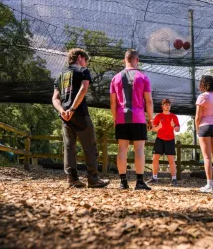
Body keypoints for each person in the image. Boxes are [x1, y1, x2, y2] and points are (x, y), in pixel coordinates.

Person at [52, 48, 110, 188]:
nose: (86, 63)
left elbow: (55, 98)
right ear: (79, 57)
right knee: (90, 146)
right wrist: (72, 109)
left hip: (65, 117)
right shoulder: (83, 71)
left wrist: (62, 111)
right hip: (80, 114)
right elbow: (83, 89)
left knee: (69, 147)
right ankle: (93, 179)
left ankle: (72, 179)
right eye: (85, 60)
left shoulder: (60, 75)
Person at [110, 49, 154, 190]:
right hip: (138, 118)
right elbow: (149, 101)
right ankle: (139, 182)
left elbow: (113, 103)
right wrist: (151, 119)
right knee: (139, 149)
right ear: (137, 60)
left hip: (121, 118)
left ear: (124, 60)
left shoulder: (115, 78)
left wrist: (115, 119)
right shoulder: (143, 77)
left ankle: (123, 182)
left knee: (122, 149)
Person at [195, 75, 213, 194]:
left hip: (205, 127)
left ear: (203, 84)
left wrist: (197, 131)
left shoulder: (202, 97)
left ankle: (209, 184)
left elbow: (197, 117)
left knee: (207, 157)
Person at [147, 99, 180, 186]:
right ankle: (154, 178)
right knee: (155, 159)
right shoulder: (158, 116)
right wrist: (159, 127)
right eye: (165, 104)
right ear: (162, 106)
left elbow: (178, 129)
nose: (167, 106)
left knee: (171, 160)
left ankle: (174, 179)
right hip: (160, 139)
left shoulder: (174, 116)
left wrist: (174, 126)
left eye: (169, 104)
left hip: (170, 140)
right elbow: (153, 129)